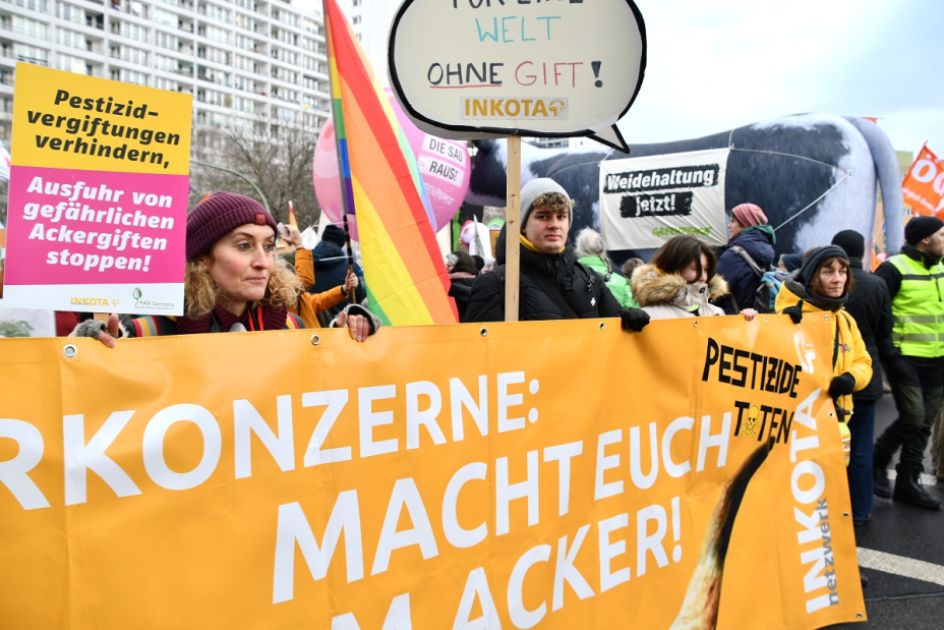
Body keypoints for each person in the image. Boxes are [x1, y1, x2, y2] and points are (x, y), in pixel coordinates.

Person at [74, 192, 377, 344]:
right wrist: (92, 347)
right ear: (202, 259)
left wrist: (347, 336)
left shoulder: (291, 327)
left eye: (269, 245)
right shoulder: (150, 333)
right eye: (244, 245)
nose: (263, 261)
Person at [463, 177, 650, 331]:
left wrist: (626, 321)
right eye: (543, 216)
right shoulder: (496, 284)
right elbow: (481, 359)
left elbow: (612, 339)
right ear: (522, 224)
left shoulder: (590, 280)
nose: (554, 224)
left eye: (561, 216)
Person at [775, 246, 873, 474]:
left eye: (843, 271)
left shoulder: (845, 319)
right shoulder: (788, 317)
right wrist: (784, 329)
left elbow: (863, 362)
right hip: (797, 430)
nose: (838, 279)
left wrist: (851, 378)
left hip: (837, 424)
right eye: (828, 272)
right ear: (811, 277)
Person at [872, 216, 944, 509]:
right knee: (913, 416)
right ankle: (879, 458)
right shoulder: (894, 268)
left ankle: (908, 481)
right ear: (925, 239)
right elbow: (879, 314)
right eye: (942, 234)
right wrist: (890, 354)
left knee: (925, 424)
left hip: (938, 360)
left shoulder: (941, 267)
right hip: (906, 361)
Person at [831, 230, 896, 525]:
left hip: (831, 376)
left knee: (825, 447)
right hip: (864, 373)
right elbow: (885, 331)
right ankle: (859, 510)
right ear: (862, 250)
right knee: (859, 449)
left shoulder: (823, 283)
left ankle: (826, 507)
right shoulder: (876, 283)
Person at [632, 235, 755, 321]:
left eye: (706, 269)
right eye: (696, 269)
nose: (703, 277)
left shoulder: (716, 312)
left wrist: (745, 325)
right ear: (673, 267)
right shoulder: (648, 317)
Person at [294, 223, 367, 324]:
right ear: (342, 243)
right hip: (345, 325)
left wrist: (344, 289)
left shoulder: (304, 263)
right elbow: (361, 294)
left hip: (313, 327)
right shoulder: (351, 266)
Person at [716, 202, 776, 313]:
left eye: (733, 221)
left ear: (746, 223)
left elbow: (714, 293)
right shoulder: (765, 252)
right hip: (759, 322)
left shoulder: (733, 256)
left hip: (731, 323)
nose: (729, 225)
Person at [574, 228, 638, 308]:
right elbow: (634, 313)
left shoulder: (567, 281)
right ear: (602, 250)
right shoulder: (621, 283)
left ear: (578, 250)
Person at [446, 250, 479, 320]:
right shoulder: (479, 282)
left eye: (449, 266)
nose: (446, 268)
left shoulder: (451, 286)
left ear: (458, 266)